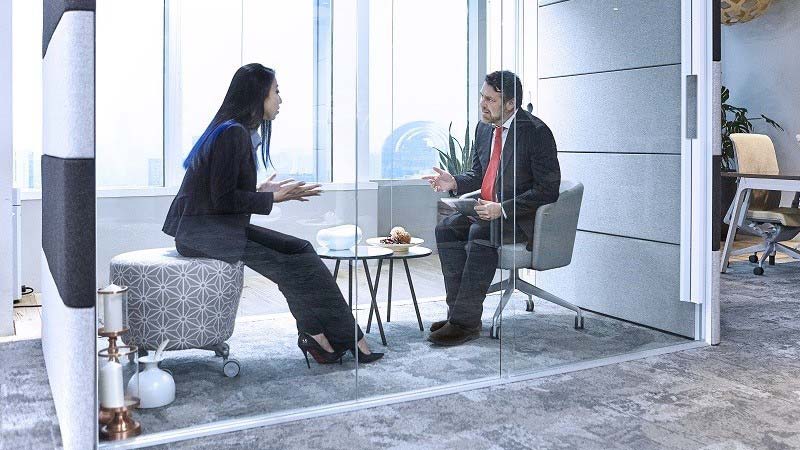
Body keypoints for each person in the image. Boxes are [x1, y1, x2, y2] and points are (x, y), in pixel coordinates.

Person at [163, 63, 382, 365]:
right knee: (296, 264)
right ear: (259, 96)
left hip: (209, 230)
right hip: (206, 236)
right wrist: (271, 196)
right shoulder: (233, 134)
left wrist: (261, 189)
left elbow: (220, 192)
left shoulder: (234, 131)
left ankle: (318, 337)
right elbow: (223, 199)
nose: (281, 99)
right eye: (276, 91)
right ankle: (348, 338)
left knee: (302, 252)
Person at [422, 70, 561, 347]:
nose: (483, 105)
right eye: (482, 98)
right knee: (446, 229)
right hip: (487, 211)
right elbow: (478, 174)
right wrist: (454, 181)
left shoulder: (536, 132)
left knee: (480, 231)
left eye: (490, 100)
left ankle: (465, 323)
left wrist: (503, 208)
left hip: (519, 217)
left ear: (510, 104)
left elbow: (548, 190)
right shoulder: (484, 129)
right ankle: (457, 316)